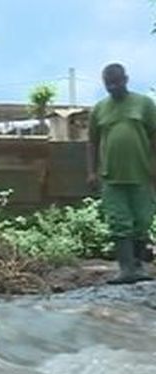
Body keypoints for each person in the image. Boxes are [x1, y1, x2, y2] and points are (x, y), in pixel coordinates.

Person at [87, 63, 156, 284]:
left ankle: (138, 267)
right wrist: (91, 171)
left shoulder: (145, 104)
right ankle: (126, 269)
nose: (113, 87)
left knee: (142, 220)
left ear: (126, 79)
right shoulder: (99, 109)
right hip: (112, 176)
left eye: (117, 82)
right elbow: (92, 142)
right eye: (108, 83)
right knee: (119, 222)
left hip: (142, 174)